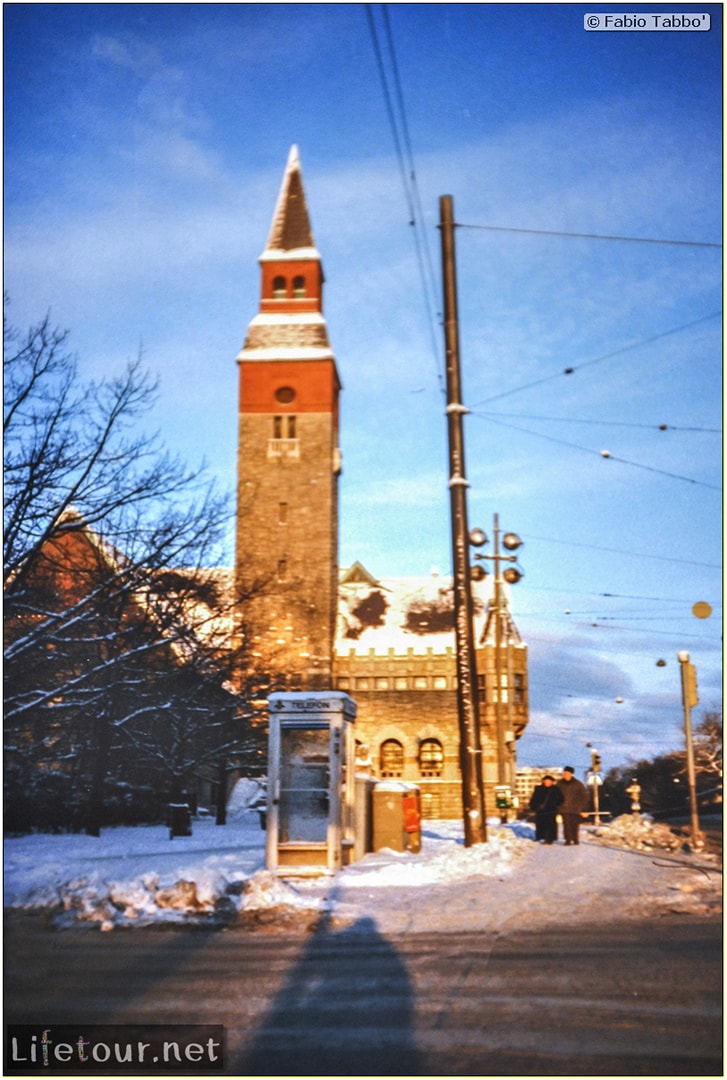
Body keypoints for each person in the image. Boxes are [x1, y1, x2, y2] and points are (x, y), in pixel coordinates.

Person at [556, 766, 590, 845]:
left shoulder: (578, 784)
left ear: (572, 774)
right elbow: (555, 795)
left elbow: (584, 796)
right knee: (566, 825)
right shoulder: (559, 784)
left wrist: (584, 808)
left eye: (567, 773)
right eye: (564, 773)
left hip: (575, 808)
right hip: (563, 808)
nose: (565, 775)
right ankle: (568, 840)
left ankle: (575, 839)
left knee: (574, 824)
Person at [529, 775, 563, 844]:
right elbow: (534, 799)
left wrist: (556, 804)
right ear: (543, 781)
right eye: (546, 781)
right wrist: (534, 807)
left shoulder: (556, 790)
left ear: (552, 782)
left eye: (549, 781)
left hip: (551, 810)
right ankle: (540, 837)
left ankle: (550, 838)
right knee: (540, 824)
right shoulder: (538, 789)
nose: (547, 782)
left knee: (551, 825)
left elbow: (561, 799)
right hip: (541, 810)